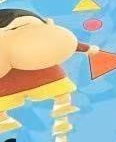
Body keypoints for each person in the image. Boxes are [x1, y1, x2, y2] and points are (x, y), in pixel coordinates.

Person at [0, 9, 98, 141]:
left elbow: (63, 42)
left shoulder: (41, 36)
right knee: (61, 96)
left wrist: (87, 48)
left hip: (46, 78)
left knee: (62, 96)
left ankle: (61, 125)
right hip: (12, 86)